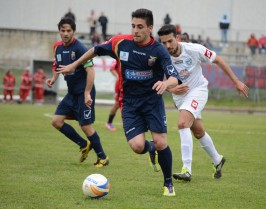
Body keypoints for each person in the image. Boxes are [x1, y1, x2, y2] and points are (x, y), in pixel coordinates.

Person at [58, 8, 181, 196]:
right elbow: (95, 50)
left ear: (150, 28)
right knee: (137, 146)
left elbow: (174, 77)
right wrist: (74, 65)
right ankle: (150, 149)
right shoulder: (121, 43)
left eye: (140, 27)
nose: (135, 30)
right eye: (133, 26)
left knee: (161, 141)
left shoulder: (158, 51)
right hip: (130, 103)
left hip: (152, 102)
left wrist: (165, 83)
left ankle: (168, 183)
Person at [157, 24, 249, 181]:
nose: (167, 46)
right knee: (198, 131)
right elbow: (158, 82)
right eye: (163, 42)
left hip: (198, 90)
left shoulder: (194, 49)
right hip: (180, 97)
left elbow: (218, 60)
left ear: (177, 38)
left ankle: (187, 169)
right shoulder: (162, 56)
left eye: (170, 41)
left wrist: (236, 82)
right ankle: (218, 160)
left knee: (182, 124)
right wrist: (171, 90)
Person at [45, 17, 109, 168]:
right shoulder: (58, 47)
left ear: (74, 31)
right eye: (63, 30)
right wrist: (53, 79)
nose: (65, 33)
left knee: (86, 126)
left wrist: (87, 93)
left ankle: (103, 157)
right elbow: (57, 65)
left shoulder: (80, 48)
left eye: (69, 30)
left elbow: (91, 71)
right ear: (59, 31)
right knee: (56, 121)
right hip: (72, 93)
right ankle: (83, 144)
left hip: (83, 93)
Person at [105, 60, 120, 132]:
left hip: (129, 85)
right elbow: (112, 68)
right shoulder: (117, 59)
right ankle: (109, 123)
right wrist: (117, 76)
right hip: (120, 86)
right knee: (117, 104)